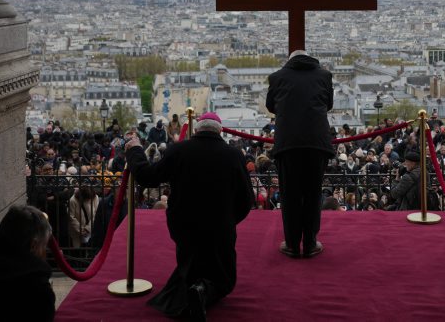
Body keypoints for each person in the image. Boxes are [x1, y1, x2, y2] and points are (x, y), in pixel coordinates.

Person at [124, 111, 254, 320]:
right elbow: (246, 199)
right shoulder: (234, 155)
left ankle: (195, 287)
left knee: (190, 264)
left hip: (185, 225)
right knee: (225, 279)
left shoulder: (179, 150)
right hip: (219, 226)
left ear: (196, 130)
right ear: (220, 131)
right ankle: (202, 291)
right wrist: (229, 220)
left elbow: (148, 177)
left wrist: (135, 150)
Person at [265, 49, 334, 259]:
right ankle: (311, 243)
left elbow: (270, 106)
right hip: (316, 142)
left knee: (290, 194)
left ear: (290, 60)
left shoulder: (277, 77)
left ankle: (293, 244)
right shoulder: (324, 76)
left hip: (289, 143)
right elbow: (328, 104)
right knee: (313, 193)